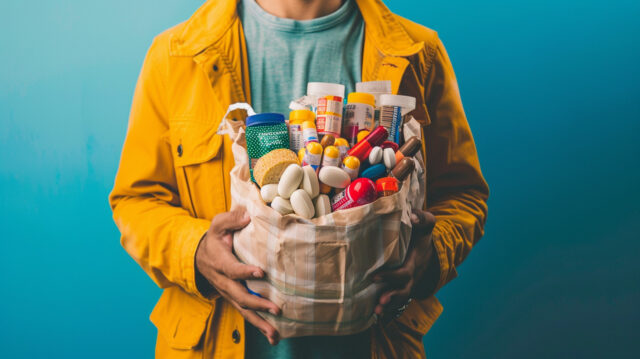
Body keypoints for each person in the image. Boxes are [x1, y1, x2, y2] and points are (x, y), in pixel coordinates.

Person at [109, 0, 489, 357]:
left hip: (371, 344)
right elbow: (136, 200)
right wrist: (194, 251)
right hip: (219, 341)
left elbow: (464, 195)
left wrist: (431, 254)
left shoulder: (417, 53)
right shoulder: (176, 56)